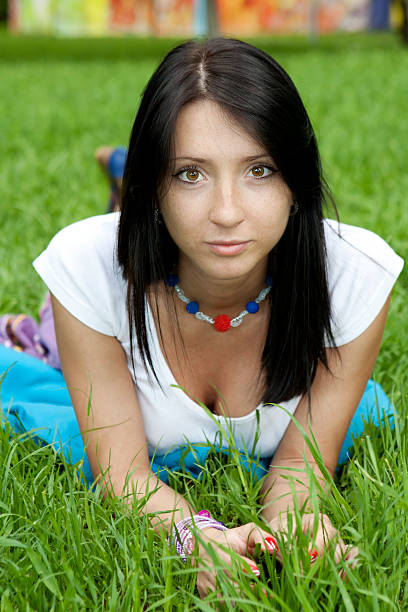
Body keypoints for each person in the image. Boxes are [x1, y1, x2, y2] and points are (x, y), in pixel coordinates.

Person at [11, 38, 404, 595]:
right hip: (126, 274)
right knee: (50, 333)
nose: (227, 212)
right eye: (190, 174)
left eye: (260, 170)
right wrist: (195, 536)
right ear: (158, 187)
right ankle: (123, 188)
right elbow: (123, 476)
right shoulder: (87, 267)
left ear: (297, 182)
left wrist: (295, 529)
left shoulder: (353, 277)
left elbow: (302, 467)